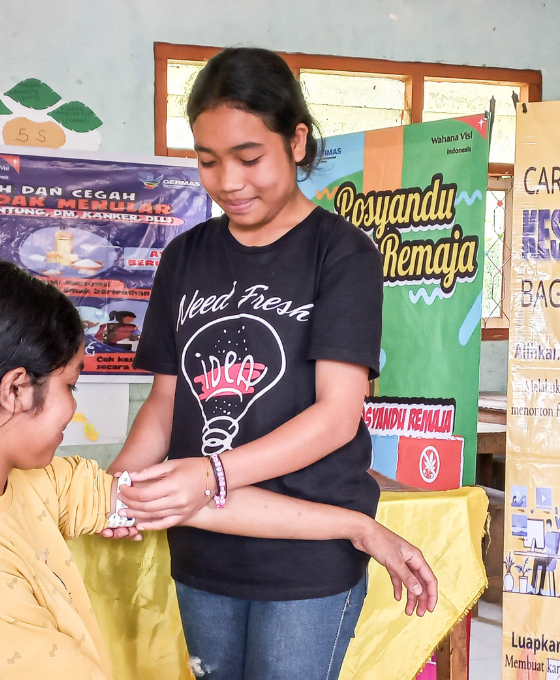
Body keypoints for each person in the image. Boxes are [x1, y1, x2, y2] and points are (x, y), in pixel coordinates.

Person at [0, 259, 435, 680]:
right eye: (71, 385)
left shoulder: (3, 486)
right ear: (16, 389)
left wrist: (358, 527)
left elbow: (181, 497)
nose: (73, 411)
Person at [106, 47, 391, 680]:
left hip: (305, 555)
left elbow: (338, 415)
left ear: (296, 141)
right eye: (208, 162)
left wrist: (210, 475)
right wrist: (119, 485)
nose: (229, 182)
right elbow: (165, 401)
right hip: (203, 546)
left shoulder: (340, 253)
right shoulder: (184, 256)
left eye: (249, 158)